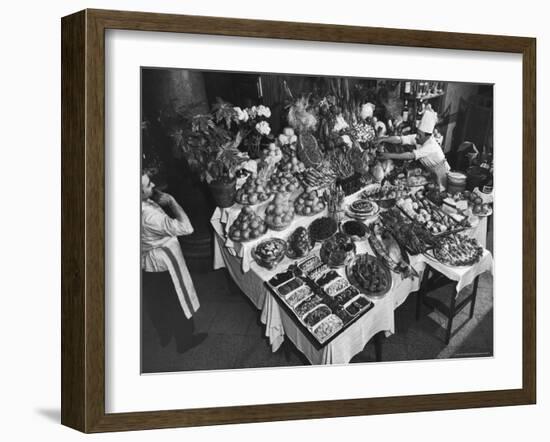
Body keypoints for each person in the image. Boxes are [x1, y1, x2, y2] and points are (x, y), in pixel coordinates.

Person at [141, 171, 207, 353]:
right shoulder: (149, 217)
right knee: (177, 299)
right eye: (147, 185)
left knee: (157, 301)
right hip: (163, 261)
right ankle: (185, 340)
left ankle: (164, 334)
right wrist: (172, 202)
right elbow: (187, 227)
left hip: (147, 261)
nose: (153, 185)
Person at [375, 109, 451, 189]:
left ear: (427, 136)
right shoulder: (419, 137)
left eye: (420, 135)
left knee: (440, 193)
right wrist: (383, 139)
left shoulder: (431, 145)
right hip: (431, 171)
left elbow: (410, 155)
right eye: (417, 133)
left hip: (441, 173)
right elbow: (400, 139)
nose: (417, 137)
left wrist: (389, 155)